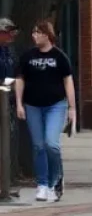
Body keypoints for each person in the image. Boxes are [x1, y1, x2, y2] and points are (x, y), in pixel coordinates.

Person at [14, 21, 75, 203]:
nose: (34, 35)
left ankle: (55, 180)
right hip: (32, 105)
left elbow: (68, 82)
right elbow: (20, 79)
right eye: (33, 32)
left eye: (37, 32)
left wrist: (72, 108)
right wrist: (19, 103)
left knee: (51, 144)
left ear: (47, 35)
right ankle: (42, 184)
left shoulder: (60, 57)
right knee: (38, 146)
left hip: (56, 105)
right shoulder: (27, 56)